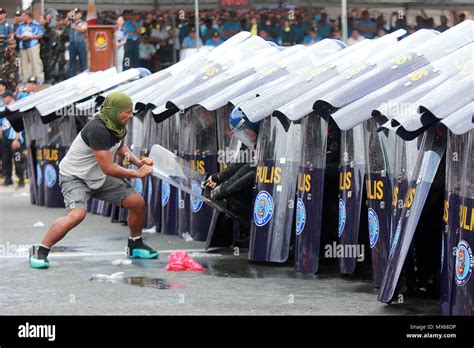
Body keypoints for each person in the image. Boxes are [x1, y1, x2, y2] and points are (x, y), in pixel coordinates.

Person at [29, 92, 157, 269]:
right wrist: (138, 173)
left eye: (131, 111)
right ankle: (40, 250)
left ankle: (135, 244)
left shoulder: (118, 125)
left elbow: (121, 148)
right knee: (77, 215)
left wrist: (138, 161)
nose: (131, 115)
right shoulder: (98, 129)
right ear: (114, 110)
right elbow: (109, 168)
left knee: (136, 202)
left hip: (98, 176)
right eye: (127, 112)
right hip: (75, 177)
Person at [203, 108, 259, 247]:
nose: (243, 136)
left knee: (234, 194)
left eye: (244, 131)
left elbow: (249, 170)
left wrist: (222, 190)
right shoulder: (251, 145)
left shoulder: (266, 142)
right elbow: (237, 165)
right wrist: (218, 177)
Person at [1, 90, 26, 188]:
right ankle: (8, 179)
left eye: (4, 97)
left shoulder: (15, 107)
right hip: (6, 137)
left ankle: (21, 180)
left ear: (10, 97)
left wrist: (16, 139)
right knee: (6, 159)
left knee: (17, 159)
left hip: (14, 138)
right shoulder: (4, 108)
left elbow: (19, 124)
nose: (3, 99)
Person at [15, 11, 44, 83]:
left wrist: (30, 37)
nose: (22, 18)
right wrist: (21, 37)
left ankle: (38, 78)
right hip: (23, 45)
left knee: (35, 62)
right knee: (24, 63)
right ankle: (25, 78)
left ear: (28, 16)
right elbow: (17, 34)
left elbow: (40, 34)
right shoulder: (21, 25)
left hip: (33, 45)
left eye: (23, 16)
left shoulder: (36, 24)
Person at [67, 8, 88, 77]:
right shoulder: (71, 22)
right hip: (72, 44)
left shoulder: (83, 22)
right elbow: (64, 22)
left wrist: (75, 27)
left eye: (77, 13)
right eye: (75, 13)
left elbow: (83, 29)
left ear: (81, 15)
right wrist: (68, 16)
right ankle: (71, 77)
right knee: (72, 62)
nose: (76, 15)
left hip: (80, 44)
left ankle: (83, 77)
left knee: (82, 62)